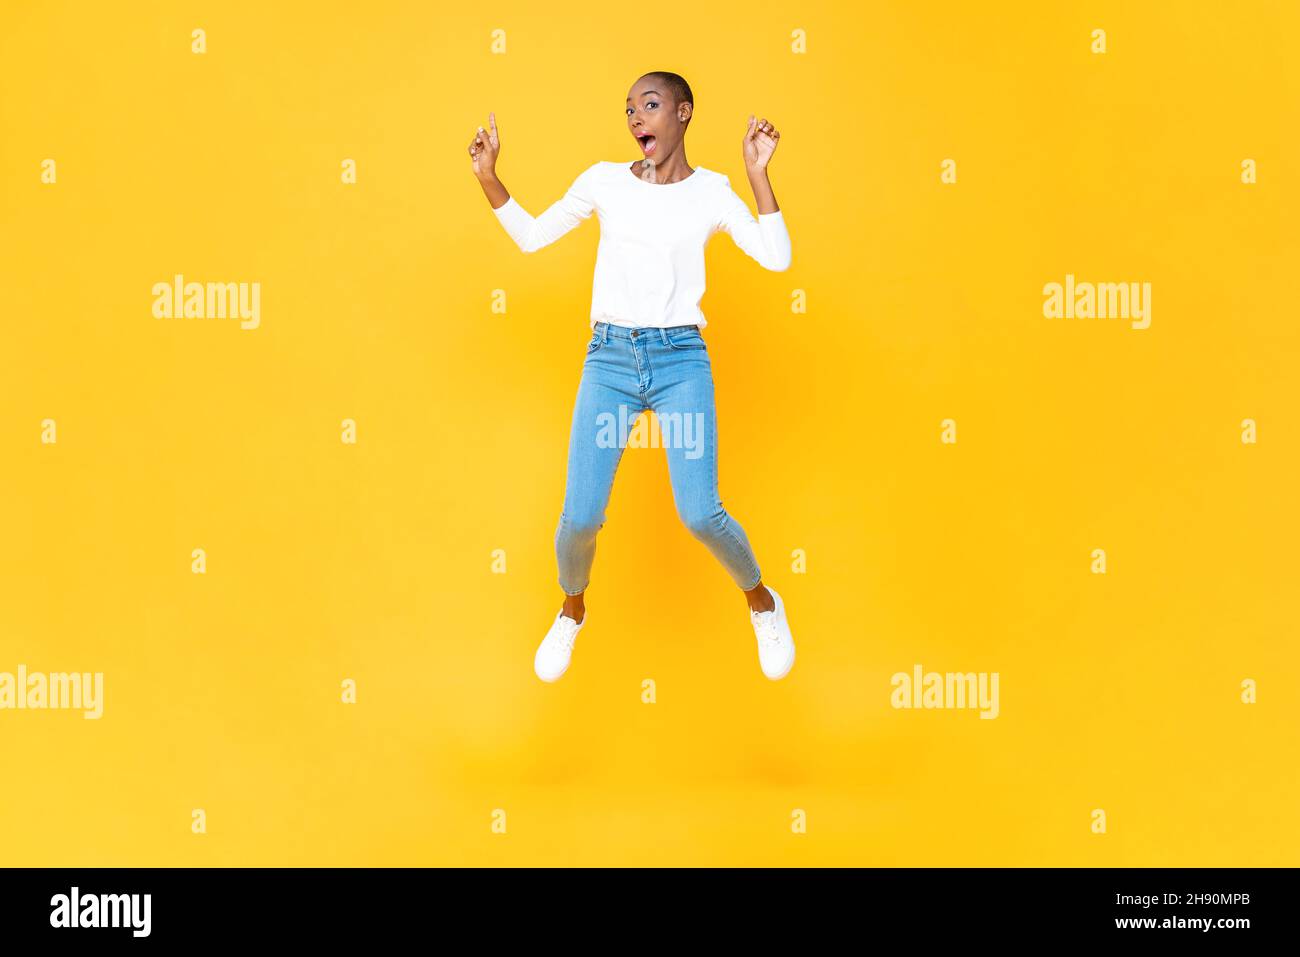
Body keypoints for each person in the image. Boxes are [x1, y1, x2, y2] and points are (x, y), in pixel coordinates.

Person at [469, 71, 796, 683]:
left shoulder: (714, 192)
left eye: (649, 105)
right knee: (580, 518)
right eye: (628, 109)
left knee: (700, 514)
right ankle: (572, 607)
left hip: (679, 363)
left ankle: (761, 600)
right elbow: (536, 237)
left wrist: (758, 176)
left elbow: (777, 260)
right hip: (611, 361)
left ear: (684, 112)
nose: (636, 118)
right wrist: (489, 178)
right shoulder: (604, 182)